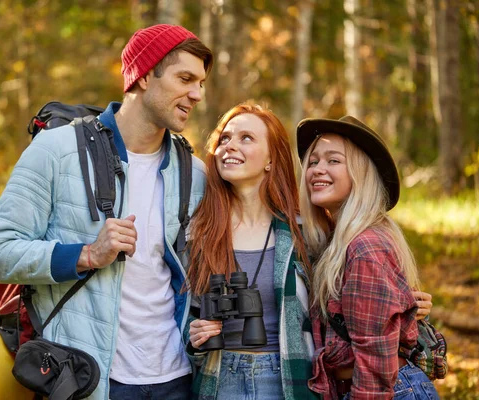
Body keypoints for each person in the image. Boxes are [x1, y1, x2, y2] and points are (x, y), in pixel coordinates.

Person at [0, 24, 213, 400]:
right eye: (185, 78)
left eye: (201, 83)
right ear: (145, 74)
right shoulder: (56, 150)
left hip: (177, 379)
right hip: (90, 380)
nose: (197, 94)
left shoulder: (195, 173)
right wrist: (87, 254)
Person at [296, 116, 440, 399]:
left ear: (361, 174)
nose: (317, 170)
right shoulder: (335, 242)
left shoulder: (365, 245)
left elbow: (375, 359)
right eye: (313, 162)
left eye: (333, 161)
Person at [185, 103, 318, 399]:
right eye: (224, 138)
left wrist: (404, 302)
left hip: (288, 378)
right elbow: (180, 314)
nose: (230, 145)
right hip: (218, 377)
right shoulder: (200, 232)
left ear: (272, 158)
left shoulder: (303, 233)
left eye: (246, 138)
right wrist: (195, 337)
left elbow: (338, 304)